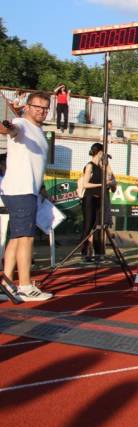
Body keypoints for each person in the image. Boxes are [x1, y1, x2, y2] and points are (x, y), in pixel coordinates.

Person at [0, 91, 53, 301]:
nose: (41, 111)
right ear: (27, 107)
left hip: (26, 190)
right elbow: (10, 128)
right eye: (37, 107)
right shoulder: (21, 123)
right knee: (26, 237)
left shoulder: (39, 130)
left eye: (45, 108)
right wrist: (7, 127)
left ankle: (6, 284)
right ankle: (24, 285)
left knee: (16, 237)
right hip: (20, 189)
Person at [79, 142, 116, 261]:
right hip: (90, 198)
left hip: (100, 199)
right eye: (102, 153)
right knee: (88, 225)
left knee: (98, 226)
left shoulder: (101, 167)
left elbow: (110, 177)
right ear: (99, 152)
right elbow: (85, 184)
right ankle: (84, 252)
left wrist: (107, 164)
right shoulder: (89, 165)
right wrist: (101, 184)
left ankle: (98, 253)